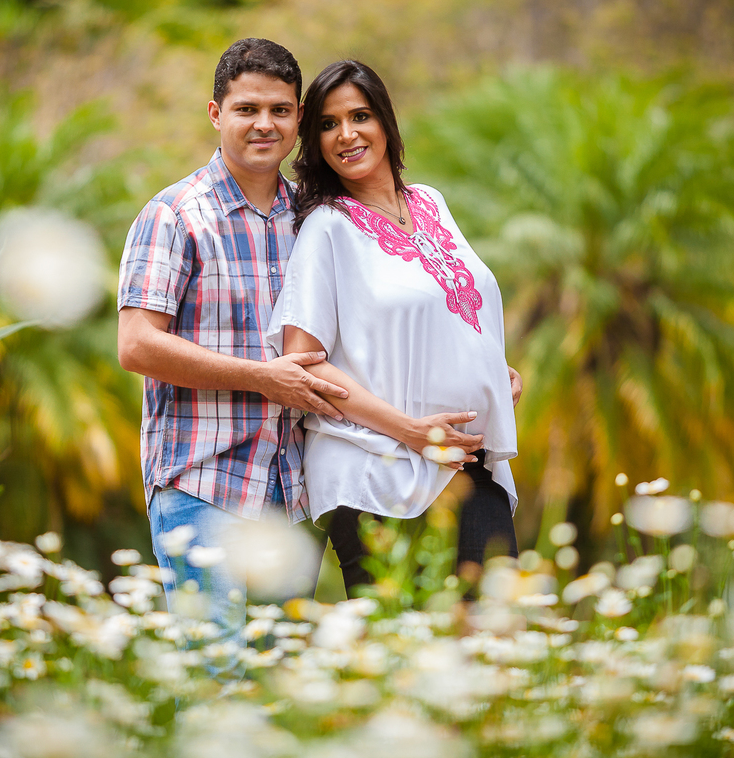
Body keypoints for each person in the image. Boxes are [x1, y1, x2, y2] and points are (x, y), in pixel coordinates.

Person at [116, 39, 349, 633]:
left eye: (280, 109)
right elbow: (137, 344)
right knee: (214, 679)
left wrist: (475, 370)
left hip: (293, 487)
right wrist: (260, 378)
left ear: (299, 117)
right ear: (216, 114)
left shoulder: (316, 219)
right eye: (246, 109)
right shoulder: (174, 215)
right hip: (203, 483)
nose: (264, 124)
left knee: (282, 684)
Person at [266, 60, 522, 594]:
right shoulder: (326, 228)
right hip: (374, 471)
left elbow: (444, 313)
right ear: (314, 142)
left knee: (496, 633)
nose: (348, 134)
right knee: (407, 655)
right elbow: (304, 365)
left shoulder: (431, 202)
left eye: (360, 115)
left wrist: (493, 373)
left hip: (464, 459)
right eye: (329, 124)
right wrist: (412, 431)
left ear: (386, 120)